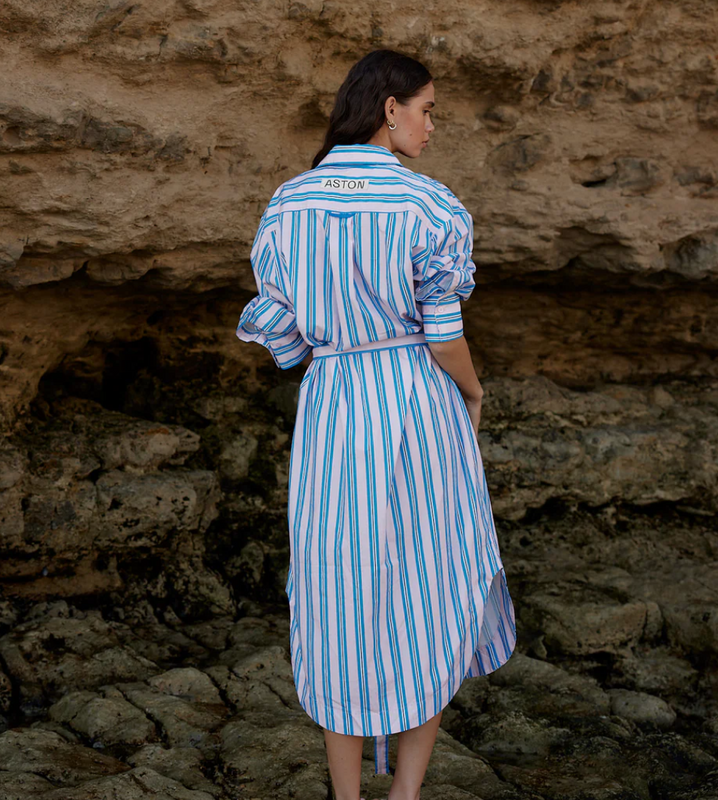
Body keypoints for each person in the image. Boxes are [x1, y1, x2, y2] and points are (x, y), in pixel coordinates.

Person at [236, 49, 517, 800]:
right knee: (430, 583)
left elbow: (287, 343)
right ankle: (407, 795)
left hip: (333, 408)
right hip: (416, 400)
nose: (432, 126)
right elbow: (442, 333)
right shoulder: (428, 207)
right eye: (427, 110)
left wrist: (342, 339)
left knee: (338, 594)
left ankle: (347, 796)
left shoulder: (288, 205)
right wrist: (475, 390)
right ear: (389, 108)